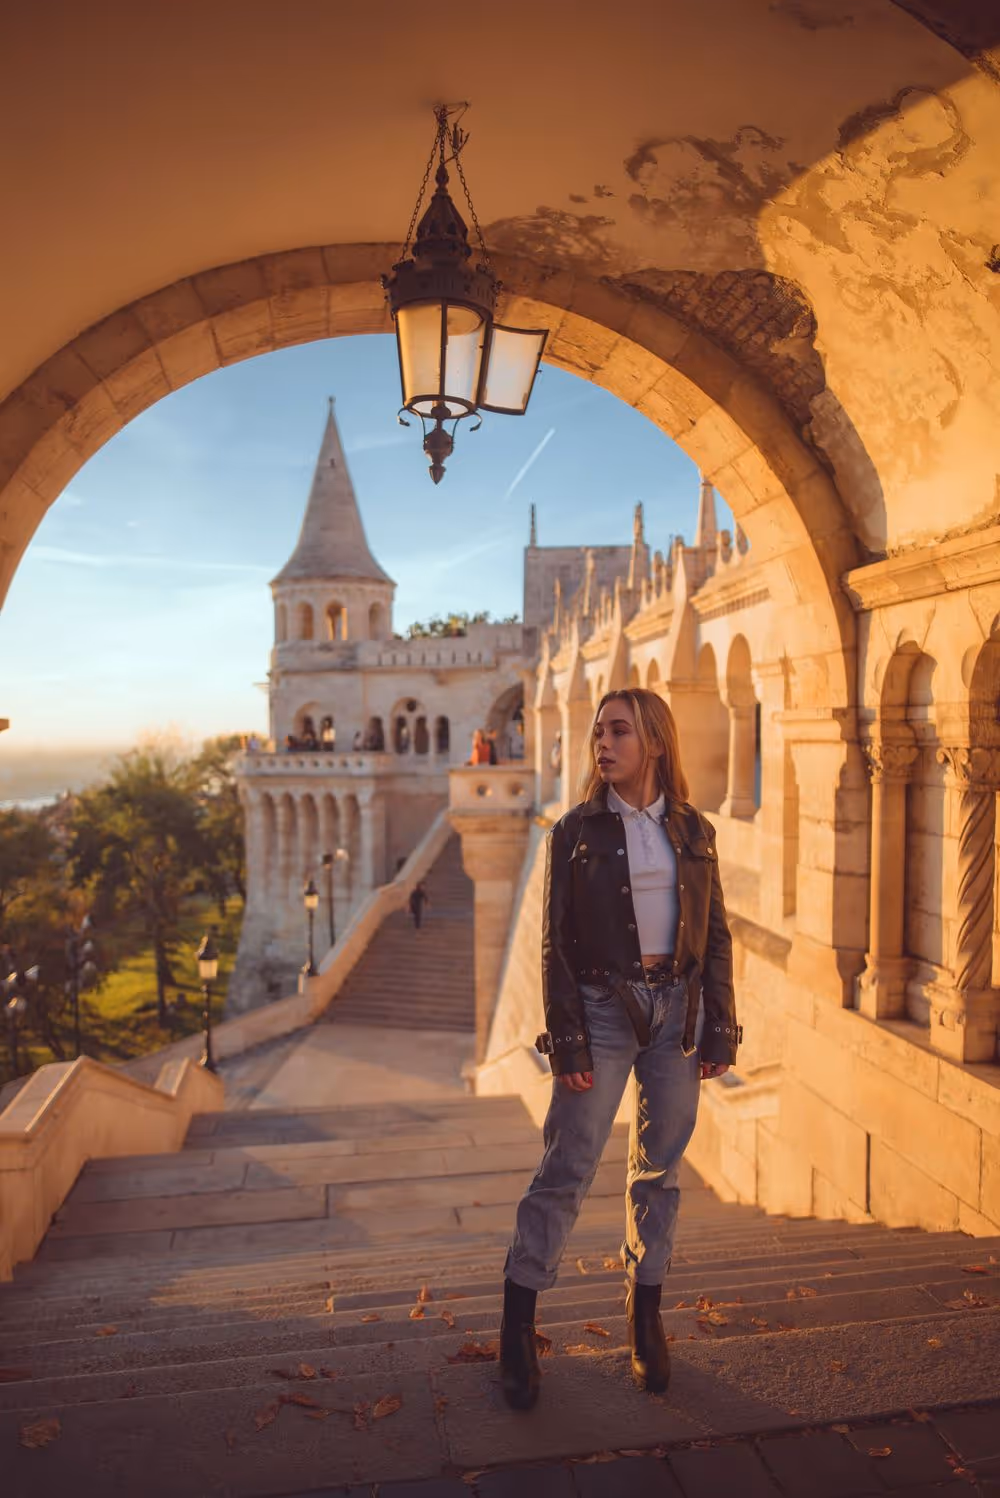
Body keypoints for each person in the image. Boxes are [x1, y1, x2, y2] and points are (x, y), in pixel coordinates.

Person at [499, 687, 740, 1410]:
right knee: (566, 1167)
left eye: (619, 732)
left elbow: (716, 937)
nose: (602, 744)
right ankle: (517, 1328)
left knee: (659, 1171)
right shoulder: (573, 831)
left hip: (678, 1018)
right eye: (598, 732)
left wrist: (721, 1025)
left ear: (656, 743)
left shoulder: (695, 830)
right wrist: (566, 1035)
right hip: (602, 1014)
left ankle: (644, 1317)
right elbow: (555, 947)